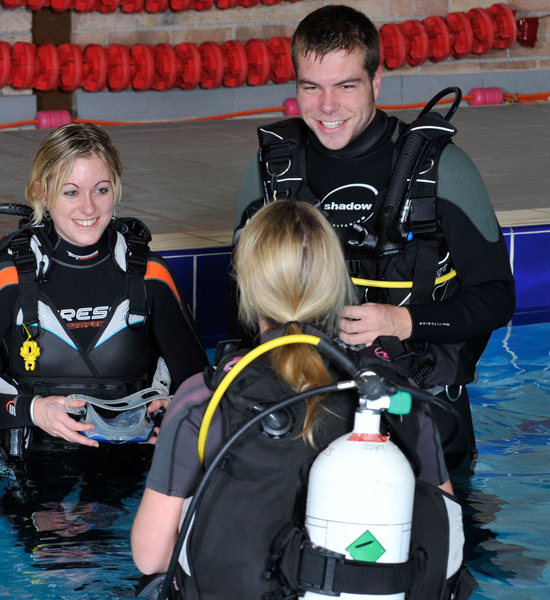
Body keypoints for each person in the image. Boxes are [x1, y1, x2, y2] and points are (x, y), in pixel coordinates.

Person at [131, 201, 473, 600]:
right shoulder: (391, 394)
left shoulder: (204, 398)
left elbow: (150, 557)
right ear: (336, 282)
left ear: (246, 284)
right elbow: (448, 539)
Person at [232, 4, 515, 470]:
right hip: (307, 416)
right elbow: (239, 298)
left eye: (346, 86)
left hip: (421, 416)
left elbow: (498, 298)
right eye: (312, 87)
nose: (327, 107)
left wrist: (401, 322)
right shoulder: (270, 171)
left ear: (376, 82)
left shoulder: (442, 169)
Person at [0, 122, 207, 457]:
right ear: (42, 193)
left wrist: (174, 407)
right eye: (71, 192)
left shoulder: (150, 275)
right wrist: (33, 411)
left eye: (101, 190)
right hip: (33, 475)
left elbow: (203, 386)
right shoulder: (9, 277)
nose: (88, 208)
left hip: (129, 467)